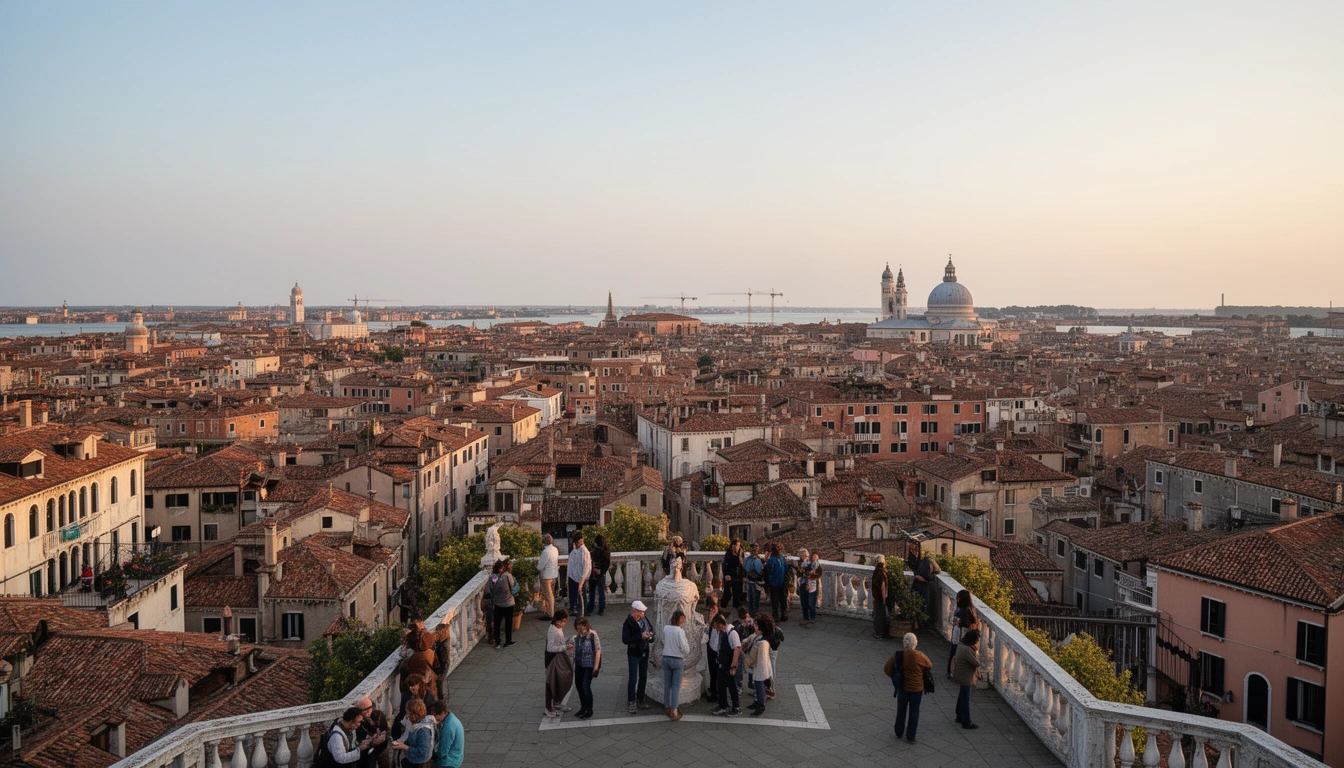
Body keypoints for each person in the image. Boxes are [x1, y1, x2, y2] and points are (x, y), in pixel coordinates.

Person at [893, 632, 933, 744]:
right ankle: (911, 736)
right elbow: (930, 665)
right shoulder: (919, 656)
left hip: (903, 687)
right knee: (914, 711)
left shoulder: (898, 656)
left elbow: (887, 668)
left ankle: (899, 731)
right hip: (917, 689)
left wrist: (896, 675)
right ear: (915, 643)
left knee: (901, 710)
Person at [622, 600, 655, 713]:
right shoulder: (628, 623)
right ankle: (632, 700)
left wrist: (650, 636)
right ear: (634, 611)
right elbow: (625, 639)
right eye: (641, 612)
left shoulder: (644, 620)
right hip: (634, 653)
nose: (643, 614)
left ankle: (640, 698)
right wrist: (640, 636)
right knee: (633, 677)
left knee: (643, 676)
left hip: (644, 651)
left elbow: (651, 631)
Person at [709, 614, 742, 716]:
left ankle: (736, 707)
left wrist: (733, 666)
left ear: (720, 624)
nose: (716, 629)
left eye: (716, 626)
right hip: (722, 664)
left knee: (732, 686)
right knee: (722, 685)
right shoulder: (722, 633)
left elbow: (737, 650)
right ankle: (723, 705)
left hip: (729, 665)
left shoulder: (732, 633)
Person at [661, 609, 690, 721]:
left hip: (666, 657)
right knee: (676, 687)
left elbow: (663, 641)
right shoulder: (680, 631)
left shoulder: (666, 629)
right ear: (680, 618)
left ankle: (667, 707)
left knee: (667, 685)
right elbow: (685, 648)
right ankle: (674, 711)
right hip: (677, 659)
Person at [389, 698, 434, 768]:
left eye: (408, 713)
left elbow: (423, 751)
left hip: (419, 762)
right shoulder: (419, 723)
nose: (407, 716)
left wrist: (405, 747)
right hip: (415, 760)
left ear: (414, 714)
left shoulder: (423, 731)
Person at [399, 622, 437, 704]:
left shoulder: (415, 657)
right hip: (429, 683)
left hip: (418, 685)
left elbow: (408, 668)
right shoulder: (430, 652)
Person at [544, 610, 572, 718]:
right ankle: (548, 708)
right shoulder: (553, 631)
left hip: (558, 658)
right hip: (553, 660)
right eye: (561, 621)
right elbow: (550, 648)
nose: (563, 624)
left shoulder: (558, 629)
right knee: (551, 683)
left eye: (565, 622)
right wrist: (565, 647)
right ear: (556, 620)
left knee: (559, 681)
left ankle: (556, 703)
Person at [572, 617, 602, 719]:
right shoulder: (577, 637)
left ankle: (589, 709)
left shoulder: (592, 635)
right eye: (578, 627)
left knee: (585, 686)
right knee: (579, 686)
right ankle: (583, 707)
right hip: (579, 664)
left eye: (582, 627)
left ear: (586, 626)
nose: (580, 629)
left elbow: (598, 650)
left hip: (589, 665)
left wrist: (596, 666)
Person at [745, 614, 774, 716]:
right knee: (757, 686)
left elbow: (761, 658)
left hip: (760, 668)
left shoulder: (763, 642)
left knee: (759, 686)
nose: (754, 626)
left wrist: (753, 663)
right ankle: (757, 702)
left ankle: (761, 705)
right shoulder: (759, 636)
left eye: (756, 625)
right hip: (757, 667)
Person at [953, 629, 982, 730]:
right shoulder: (967, 650)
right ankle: (966, 722)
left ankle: (959, 715)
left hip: (960, 674)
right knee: (965, 699)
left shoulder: (961, 645)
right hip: (966, 676)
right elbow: (976, 663)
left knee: (962, 695)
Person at [949, 589, 980, 678]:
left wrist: (959, 622)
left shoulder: (966, 610)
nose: (957, 600)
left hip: (961, 636)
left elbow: (968, 623)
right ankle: (952, 672)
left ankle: (954, 672)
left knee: (956, 654)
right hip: (957, 635)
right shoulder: (963, 609)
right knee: (954, 654)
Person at [488, 559, 517, 649]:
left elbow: (490, 589)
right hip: (508, 603)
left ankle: (497, 642)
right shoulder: (507, 576)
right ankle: (508, 641)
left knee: (497, 623)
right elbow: (512, 586)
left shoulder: (492, 577)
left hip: (498, 603)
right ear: (503, 567)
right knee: (508, 623)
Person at [354, 698, 388, 768]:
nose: (356, 712)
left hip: (378, 746)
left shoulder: (378, 715)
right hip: (363, 748)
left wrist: (374, 740)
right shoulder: (357, 719)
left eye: (359, 710)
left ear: (367, 711)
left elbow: (384, 734)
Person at [430, 700, 464, 768]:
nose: (434, 718)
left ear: (442, 713)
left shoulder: (448, 727)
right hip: (456, 758)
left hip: (448, 762)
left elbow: (442, 752)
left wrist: (432, 754)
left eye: (435, 715)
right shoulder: (451, 718)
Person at [796, 548, 822, 627]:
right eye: (800, 553)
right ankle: (806, 618)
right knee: (804, 603)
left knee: (811, 603)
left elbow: (813, 575)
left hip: (811, 586)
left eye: (803, 553)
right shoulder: (800, 563)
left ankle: (812, 619)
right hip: (802, 584)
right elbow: (800, 573)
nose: (801, 555)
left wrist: (808, 582)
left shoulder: (813, 563)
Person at [586, 534, 610, 616]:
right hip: (601, 573)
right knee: (601, 592)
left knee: (592, 592)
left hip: (593, 573)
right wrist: (603, 572)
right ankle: (601, 609)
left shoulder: (594, 551)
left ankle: (590, 608)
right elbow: (607, 563)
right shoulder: (606, 551)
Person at [568, 534, 591, 617]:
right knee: (573, 594)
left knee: (581, 595)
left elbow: (586, 567)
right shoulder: (574, 551)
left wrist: (582, 580)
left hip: (580, 577)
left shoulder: (584, 551)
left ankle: (583, 611)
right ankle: (573, 609)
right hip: (573, 576)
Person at [765, 543, 789, 622]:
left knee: (781, 599)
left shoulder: (780, 558)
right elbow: (768, 569)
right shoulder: (772, 559)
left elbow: (786, 567)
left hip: (779, 582)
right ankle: (777, 615)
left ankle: (782, 615)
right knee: (776, 600)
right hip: (775, 582)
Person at [538, 534, 560, 620]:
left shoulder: (546, 552)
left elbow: (541, 565)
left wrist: (536, 568)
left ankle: (550, 614)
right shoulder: (555, 549)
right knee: (550, 595)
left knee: (548, 595)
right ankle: (548, 611)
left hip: (546, 576)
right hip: (554, 574)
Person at [430, 622, 451, 702]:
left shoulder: (443, 645)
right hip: (438, 670)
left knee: (442, 691)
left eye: (437, 631)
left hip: (440, 671)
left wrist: (441, 675)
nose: (436, 632)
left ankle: (443, 705)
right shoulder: (440, 642)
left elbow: (445, 662)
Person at [722, 539, 745, 608]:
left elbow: (742, 565)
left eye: (737, 545)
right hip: (728, 575)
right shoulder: (728, 553)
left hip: (737, 577)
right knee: (727, 593)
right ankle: (723, 607)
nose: (736, 547)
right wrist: (726, 575)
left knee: (737, 593)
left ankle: (736, 607)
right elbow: (725, 565)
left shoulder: (741, 553)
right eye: (735, 545)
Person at [871, 555, 891, 639]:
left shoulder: (876, 572)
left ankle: (877, 633)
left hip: (876, 598)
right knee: (882, 616)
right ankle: (880, 634)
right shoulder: (881, 574)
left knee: (877, 616)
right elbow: (882, 588)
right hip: (880, 599)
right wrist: (883, 601)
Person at [743, 545, 765, 615]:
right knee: (753, 599)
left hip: (753, 581)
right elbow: (759, 571)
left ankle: (752, 613)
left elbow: (746, 567)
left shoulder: (751, 559)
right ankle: (753, 613)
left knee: (752, 599)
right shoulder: (756, 560)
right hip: (753, 581)